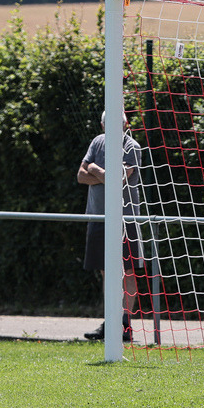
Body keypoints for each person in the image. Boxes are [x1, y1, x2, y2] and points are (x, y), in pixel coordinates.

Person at [78, 111, 143, 342]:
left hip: (125, 218)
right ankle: (110, 320)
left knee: (127, 271)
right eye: (108, 124)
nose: (112, 127)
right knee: (106, 271)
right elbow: (80, 176)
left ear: (125, 124)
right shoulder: (97, 142)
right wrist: (101, 173)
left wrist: (94, 168)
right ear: (102, 124)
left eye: (118, 123)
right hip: (98, 216)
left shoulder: (132, 146)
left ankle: (125, 323)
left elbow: (118, 179)